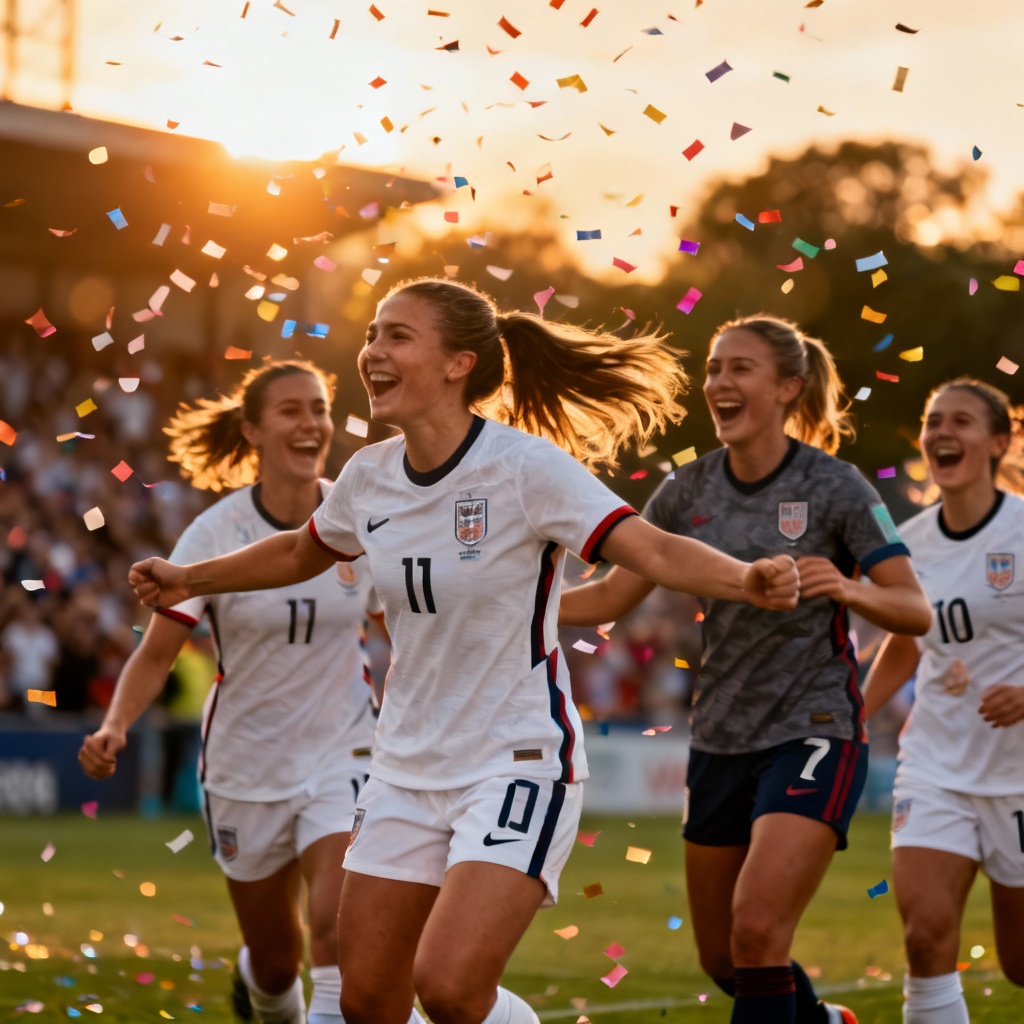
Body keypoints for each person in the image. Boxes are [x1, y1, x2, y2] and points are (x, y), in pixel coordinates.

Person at [125, 278, 801, 1024]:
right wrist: (189, 576)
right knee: (369, 1001)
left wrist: (745, 578)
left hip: (514, 763)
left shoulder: (525, 469)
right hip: (403, 771)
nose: (373, 352)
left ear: (459, 364)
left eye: (397, 337)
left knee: (448, 988)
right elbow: (297, 554)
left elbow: (650, 548)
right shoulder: (368, 476)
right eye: (374, 334)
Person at [560, 314, 932, 1024]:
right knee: (724, 957)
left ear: (789, 387)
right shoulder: (685, 492)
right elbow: (611, 593)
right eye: (713, 369)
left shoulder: (839, 487)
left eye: (739, 369)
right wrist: (520, 606)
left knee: (759, 931)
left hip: (815, 728)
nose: (719, 384)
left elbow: (914, 610)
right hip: (718, 739)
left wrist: (848, 586)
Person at [79, 359, 388, 1024]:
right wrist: (115, 725)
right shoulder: (213, 534)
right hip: (244, 768)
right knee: (277, 962)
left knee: (335, 928)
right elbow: (156, 652)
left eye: (319, 409)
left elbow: (407, 622)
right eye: (291, 411)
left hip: (346, 751)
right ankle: (259, 991)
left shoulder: (363, 521)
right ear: (251, 430)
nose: (311, 425)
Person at [861, 378, 1024, 1024]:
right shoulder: (909, 543)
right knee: (926, 939)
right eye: (932, 422)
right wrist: (853, 715)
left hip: (1017, 776)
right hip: (934, 767)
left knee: (1019, 965)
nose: (940, 433)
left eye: (960, 421)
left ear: (998, 441)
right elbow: (906, 642)